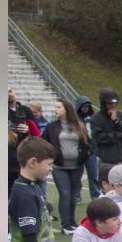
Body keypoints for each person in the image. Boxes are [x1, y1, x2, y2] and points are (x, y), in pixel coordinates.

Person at [41, 99, 92, 234]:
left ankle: (72, 221)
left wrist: (84, 155)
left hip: (77, 166)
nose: (55, 109)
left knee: (73, 195)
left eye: (58, 107)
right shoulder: (52, 126)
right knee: (65, 194)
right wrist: (51, 157)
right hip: (59, 167)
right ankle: (65, 224)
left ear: (66, 109)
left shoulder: (78, 126)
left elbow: (87, 143)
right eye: (55, 107)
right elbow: (43, 142)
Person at [90, 88, 122, 167]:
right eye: (109, 103)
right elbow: (99, 137)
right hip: (107, 161)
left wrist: (116, 121)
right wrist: (118, 134)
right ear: (103, 103)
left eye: (114, 103)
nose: (112, 105)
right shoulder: (96, 118)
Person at [74, 96, 101, 199]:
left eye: (87, 106)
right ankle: (76, 195)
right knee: (77, 175)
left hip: (91, 150)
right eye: (83, 106)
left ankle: (95, 194)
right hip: (78, 150)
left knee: (93, 173)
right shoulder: (75, 118)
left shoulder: (93, 116)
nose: (85, 108)